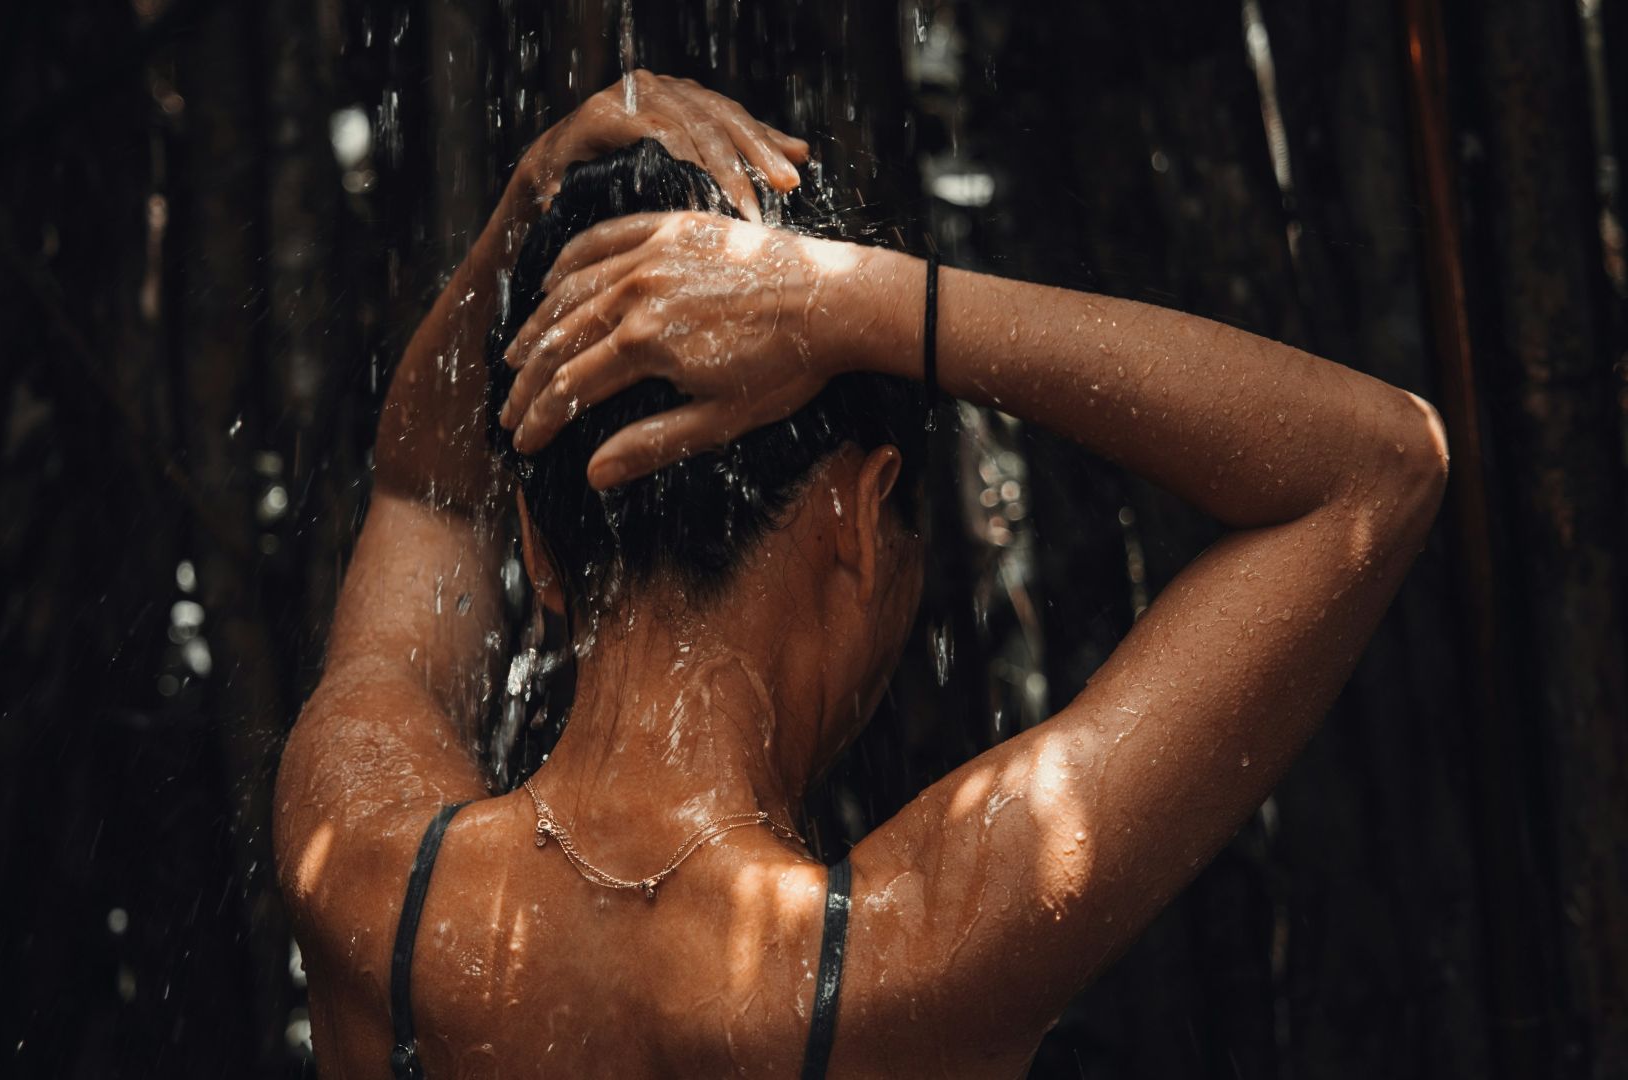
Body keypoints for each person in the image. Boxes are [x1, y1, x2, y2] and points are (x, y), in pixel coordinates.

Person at [273, 72, 1448, 1078]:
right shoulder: (911, 961)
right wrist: (872, 303)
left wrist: (535, 197)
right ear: (861, 513)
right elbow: (1371, 468)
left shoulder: (370, 870)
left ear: (537, 543)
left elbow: (423, 489)